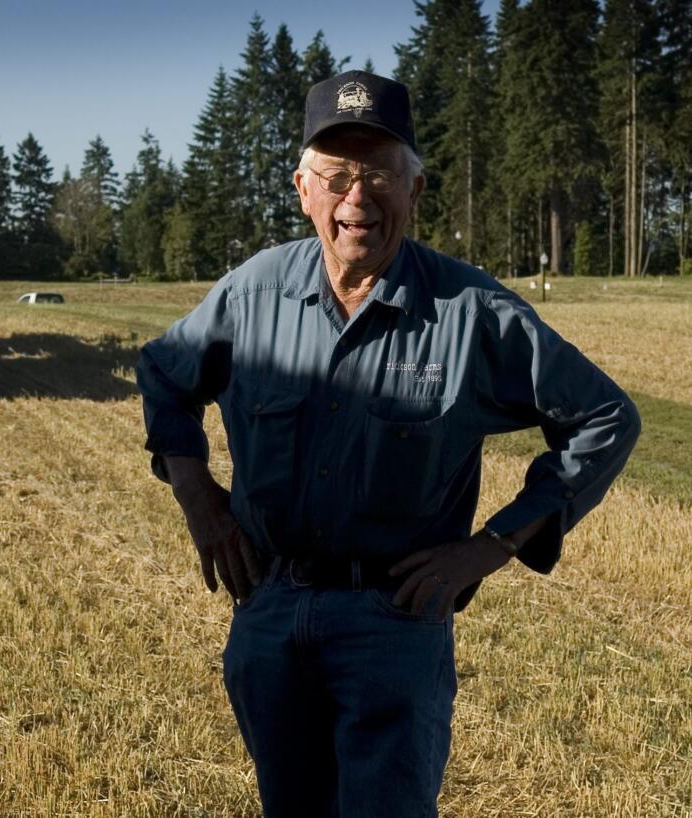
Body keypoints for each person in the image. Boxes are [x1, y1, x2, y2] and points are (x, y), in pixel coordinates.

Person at [136, 70, 640, 818]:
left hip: (393, 626)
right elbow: (164, 373)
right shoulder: (252, 291)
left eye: (379, 176)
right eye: (336, 177)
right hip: (269, 610)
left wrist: (492, 545)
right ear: (303, 188)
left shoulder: (471, 312)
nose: (356, 200)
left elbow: (605, 417)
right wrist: (199, 500)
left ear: (416, 191)